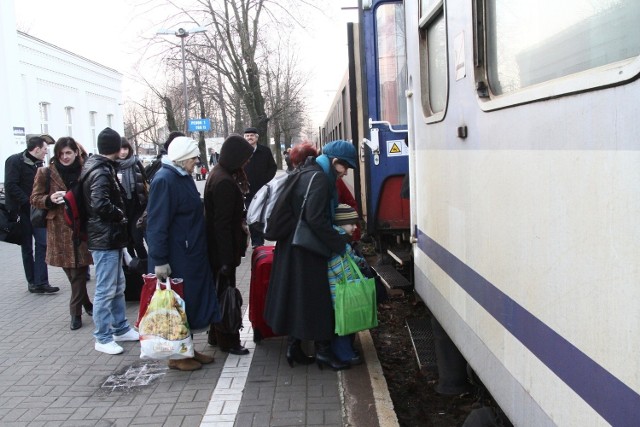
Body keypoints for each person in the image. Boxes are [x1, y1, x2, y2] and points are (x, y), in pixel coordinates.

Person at [264, 140, 358, 371]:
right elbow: (316, 219)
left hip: (293, 245)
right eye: (345, 166)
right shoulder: (319, 179)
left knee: (299, 299)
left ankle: (294, 348)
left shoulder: (307, 170)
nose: (345, 172)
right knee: (318, 302)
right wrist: (339, 244)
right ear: (335, 161)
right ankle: (323, 354)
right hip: (308, 249)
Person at [147, 136, 220, 371]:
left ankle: (187, 348)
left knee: (189, 302)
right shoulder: (165, 180)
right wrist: (159, 260)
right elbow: (157, 223)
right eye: (193, 157)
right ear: (181, 158)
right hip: (178, 255)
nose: (197, 162)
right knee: (179, 304)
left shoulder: (179, 176)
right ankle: (177, 356)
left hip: (189, 252)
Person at [83, 127, 139, 355]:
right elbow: (99, 204)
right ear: (116, 148)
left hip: (108, 237)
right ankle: (103, 336)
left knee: (117, 286)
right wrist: (120, 214)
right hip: (104, 238)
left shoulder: (98, 167)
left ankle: (120, 328)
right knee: (106, 289)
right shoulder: (102, 172)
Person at [30, 137, 93, 330]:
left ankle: (75, 314)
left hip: (80, 227)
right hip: (58, 229)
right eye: (61, 153)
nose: (65, 157)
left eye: (68, 153)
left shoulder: (86, 170)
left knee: (79, 272)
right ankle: (87, 304)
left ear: (76, 152)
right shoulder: (45, 172)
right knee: (72, 272)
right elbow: (34, 198)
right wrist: (49, 199)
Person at [204, 135, 254, 355]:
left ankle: (216, 334)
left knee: (219, 293)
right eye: (245, 158)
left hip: (217, 248)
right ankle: (229, 340)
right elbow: (222, 225)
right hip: (222, 250)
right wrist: (226, 259)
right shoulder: (224, 181)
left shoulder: (218, 174)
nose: (246, 163)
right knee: (227, 295)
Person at [4, 135, 59, 294]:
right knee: (27, 246)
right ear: (36, 149)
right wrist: (29, 201)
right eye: (44, 149)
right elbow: (10, 185)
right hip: (22, 210)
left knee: (42, 243)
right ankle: (33, 282)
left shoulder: (40, 164)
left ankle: (42, 281)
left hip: (37, 210)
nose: (45, 153)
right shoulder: (14, 161)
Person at [327, 204, 369, 366]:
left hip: (340, 289)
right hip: (340, 291)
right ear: (339, 224)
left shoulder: (341, 241)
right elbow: (341, 267)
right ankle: (344, 354)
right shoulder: (337, 244)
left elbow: (350, 258)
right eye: (351, 224)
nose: (355, 227)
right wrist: (357, 277)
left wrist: (360, 262)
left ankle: (347, 350)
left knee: (348, 323)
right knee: (343, 326)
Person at [243, 126, 277, 248]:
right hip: (246, 190)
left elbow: (273, 167)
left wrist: (265, 181)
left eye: (251, 135)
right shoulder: (241, 151)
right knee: (250, 215)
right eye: (247, 136)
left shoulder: (265, 151)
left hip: (262, 190)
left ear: (257, 137)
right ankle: (255, 241)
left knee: (261, 214)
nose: (249, 138)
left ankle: (260, 240)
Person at [117, 137, 148, 261]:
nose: (123, 152)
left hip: (137, 208)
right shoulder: (112, 166)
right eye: (120, 149)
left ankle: (147, 268)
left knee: (137, 240)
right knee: (128, 243)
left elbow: (145, 182)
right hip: (122, 211)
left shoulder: (136, 163)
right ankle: (134, 270)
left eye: (125, 148)